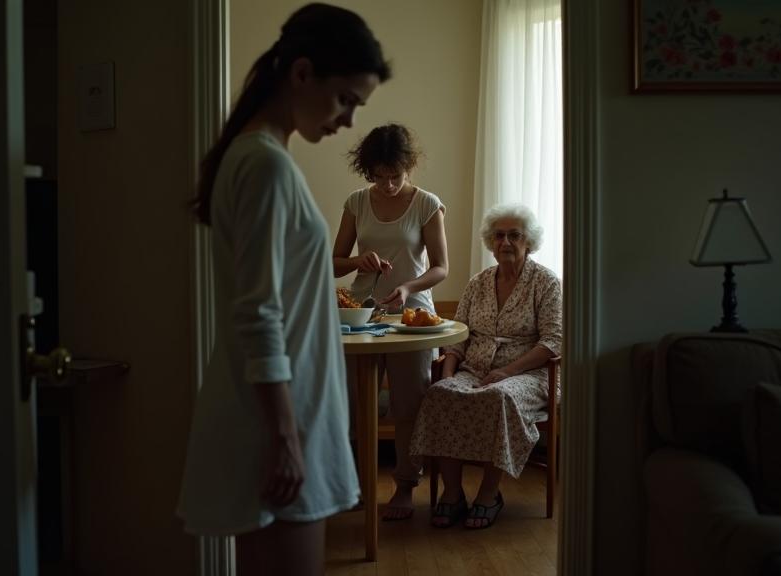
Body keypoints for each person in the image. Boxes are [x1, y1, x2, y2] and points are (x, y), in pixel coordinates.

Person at [177, 4, 390, 575]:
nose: (349, 121)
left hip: (283, 413)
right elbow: (258, 313)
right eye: (345, 99)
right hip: (280, 419)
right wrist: (286, 436)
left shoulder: (258, 158)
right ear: (301, 73)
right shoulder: (265, 166)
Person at [409, 203, 562, 529]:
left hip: (529, 374)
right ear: (491, 242)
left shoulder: (546, 283)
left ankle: (489, 495)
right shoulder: (478, 283)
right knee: (440, 394)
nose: (505, 242)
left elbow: (553, 341)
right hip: (475, 369)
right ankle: (452, 494)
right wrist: (448, 374)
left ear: (529, 241)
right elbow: (458, 334)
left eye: (514, 236)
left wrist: (507, 372)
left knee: (499, 396)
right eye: (499, 236)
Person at [332, 123, 449, 520]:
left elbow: (441, 267)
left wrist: (407, 286)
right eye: (379, 176)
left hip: (412, 315)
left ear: (408, 165)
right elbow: (334, 264)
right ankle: (355, 486)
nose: (388, 185)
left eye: (395, 175)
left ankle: (405, 486)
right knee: (353, 406)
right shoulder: (356, 202)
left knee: (408, 405)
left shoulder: (427, 204)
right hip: (361, 315)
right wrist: (357, 261)